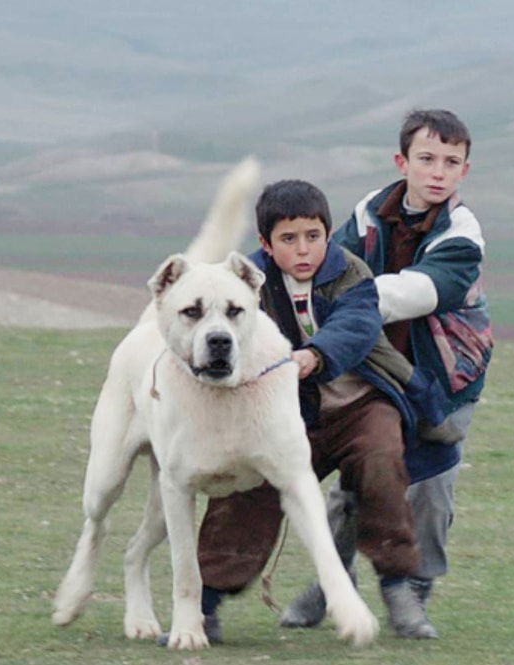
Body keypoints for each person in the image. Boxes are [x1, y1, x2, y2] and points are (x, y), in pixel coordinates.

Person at [185, 178, 450, 643]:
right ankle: (204, 603)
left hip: (360, 402)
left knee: (381, 460)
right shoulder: (246, 282)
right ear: (266, 244)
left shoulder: (351, 273)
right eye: (288, 239)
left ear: (328, 234)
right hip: (284, 413)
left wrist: (315, 354)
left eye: (313, 236)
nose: (303, 249)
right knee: (248, 485)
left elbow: (357, 325)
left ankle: (397, 586)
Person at [279, 108, 494, 639]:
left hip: (445, 377)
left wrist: (346, 305)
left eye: (451, 161)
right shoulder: (368, 213)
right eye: (426, 159)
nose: (437, 171)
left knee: (431, 486)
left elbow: (420, 291)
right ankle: (333, 584)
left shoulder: (463, 236)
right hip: (375, 371)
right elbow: (324, 263)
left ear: (465, 169)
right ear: (402, 162)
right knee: (356, 480)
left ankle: (414, 592)